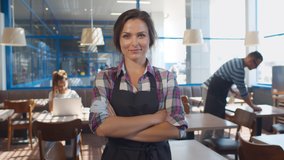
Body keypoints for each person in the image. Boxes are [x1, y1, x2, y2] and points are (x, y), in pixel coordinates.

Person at [89, 9, 188, 160]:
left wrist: (118, 129)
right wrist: (154, 118)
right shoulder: (105, 78)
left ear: (150, 39)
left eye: (141, 35)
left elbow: (177, 128)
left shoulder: (166, 78)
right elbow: (99, 126)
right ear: (118, 40)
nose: (134, 43)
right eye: (126, 36)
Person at [202, 51, 263, 139]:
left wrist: (232, 91)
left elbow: (224, 76)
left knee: (219, 118)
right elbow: (243, 92)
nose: (255, 68)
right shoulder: (239, 69)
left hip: (215, 90)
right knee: (211, 119)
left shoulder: (236, 61)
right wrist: (253, 106)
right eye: (256, 64)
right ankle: (206, 143)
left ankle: (217, 141)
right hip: (211, 90)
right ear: (251, 60)